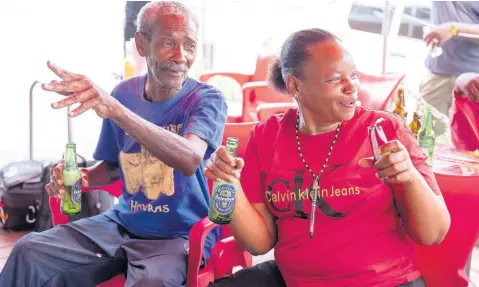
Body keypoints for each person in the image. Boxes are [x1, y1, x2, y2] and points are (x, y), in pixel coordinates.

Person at [0, 1, 227, 286]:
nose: (181, 56)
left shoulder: (207, 99)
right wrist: (77, 178)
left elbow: (190, 158)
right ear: (142, 44)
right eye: (169, 42)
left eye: (190, 45)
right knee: (28, 250)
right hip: (121, 223)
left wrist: (117, 110)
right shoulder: (124, 93)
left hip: (179, 235)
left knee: (151, 283)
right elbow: (110, 168)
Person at [204, 28, 451, 287]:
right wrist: (229, 183)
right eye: (335, 79)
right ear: (295, 85)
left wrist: (408, 176)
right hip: (296, 279)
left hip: (384, 281)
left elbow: (434, 233)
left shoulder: (385, 130)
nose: (352, 86)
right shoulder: (267, 136)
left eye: (353, 75)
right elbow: (258, 243)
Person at [420, 1, 479, 136]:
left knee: (468, 142)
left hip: (472, 79)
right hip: (437, 74)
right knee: (425, 136)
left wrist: (453, 29)